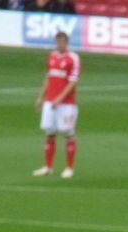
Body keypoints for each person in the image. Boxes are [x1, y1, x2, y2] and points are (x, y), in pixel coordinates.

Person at [33, 31, 80, 179]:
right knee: (49, 133)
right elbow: (48, 77)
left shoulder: (73, 58)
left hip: (67, 104)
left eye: (62, 42)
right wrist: (41, 97)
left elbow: (73, 81)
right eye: (57, 42)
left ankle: (69, 168)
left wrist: (59, 98)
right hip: (49, 102)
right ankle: (47, 167)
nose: (59, 44)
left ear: (66, 42)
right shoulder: (52, 56)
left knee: (68, 133)